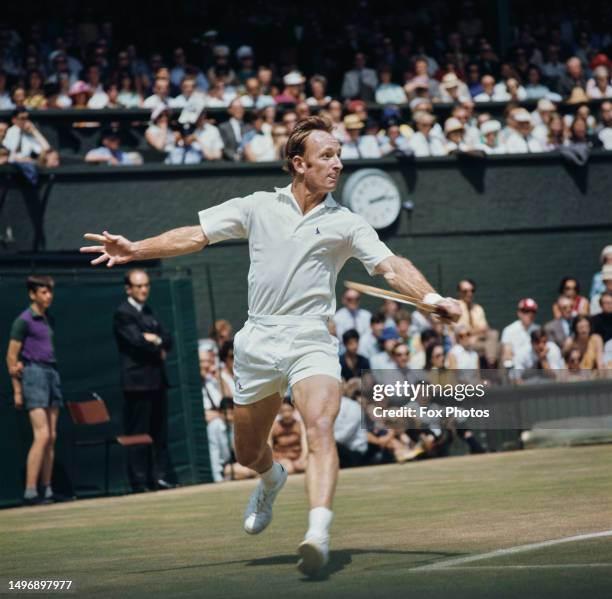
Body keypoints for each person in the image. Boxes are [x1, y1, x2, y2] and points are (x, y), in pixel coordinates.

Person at [80, 115, 460, 576]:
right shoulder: (257, 205)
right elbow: (196, 236)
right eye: (327, 156)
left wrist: (432, 297)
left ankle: (317, 532)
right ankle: (270, 477)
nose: (338, 163)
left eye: (339, 155)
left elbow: (390, 265)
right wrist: (135, 249)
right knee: (247, 451)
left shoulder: (347, 222)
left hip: (311, 338)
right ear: (299, 164)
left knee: (320, 425)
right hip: (258, 340)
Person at [113, 269, 174, 492]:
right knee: (139, 433)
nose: (143, 289)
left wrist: (155, 338)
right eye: (138, 286)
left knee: (159, 433)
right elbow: (136, 342)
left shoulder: (149, 311)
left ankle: (159, 478)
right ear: (128, 288)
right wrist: (153, 342)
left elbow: (168, 339)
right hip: (136, 384)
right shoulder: (123, 313)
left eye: (146, 285)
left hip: (157, 381)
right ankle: (139, 482)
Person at [6, 276, 63, 506]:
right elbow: (11, 357)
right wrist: (18, 391)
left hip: (51, 373)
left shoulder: (48, 318)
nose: (48, 296)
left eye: (50, 291)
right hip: (33, 375)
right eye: (43, 292)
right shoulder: (23, 320)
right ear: (32, 294)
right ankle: (30, 491)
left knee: (52, 436)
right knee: (42, 436)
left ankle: (47, 490)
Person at [501, 298, 540, 367]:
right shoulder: (509, 330)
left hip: (535, 367)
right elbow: (507, 353)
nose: (530, 314)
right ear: (519, 313)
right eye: (526, 311)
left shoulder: (538, 329)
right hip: (517, 367)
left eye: (533, 311)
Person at [271, 402, 307, 475]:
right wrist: (271, 459)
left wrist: (303, 457)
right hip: (281, 457)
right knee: (289, 469)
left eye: (288, 410)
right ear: (279, 412)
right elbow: (269, 443)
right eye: (283, 411)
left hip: (298, 456)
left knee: (308, 466)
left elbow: (304, 442)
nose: (286, 413)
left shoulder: (300, 425)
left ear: (293, 410)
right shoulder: (274, 426)